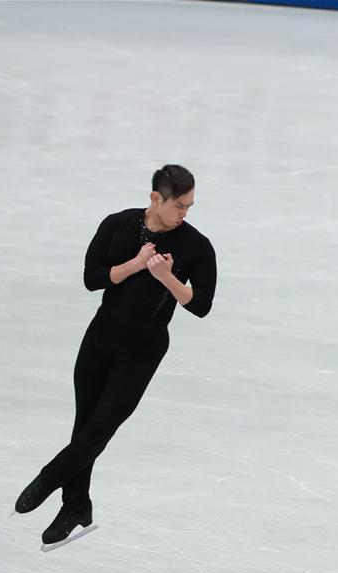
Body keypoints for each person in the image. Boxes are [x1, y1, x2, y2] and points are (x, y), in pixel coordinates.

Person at [14, 164, 217, 549]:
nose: (185, 214)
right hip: (101, 337)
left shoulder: (196, 246)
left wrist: (168, 279)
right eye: (179, 206)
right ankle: (76, 506)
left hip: (144, 349)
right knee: (84, 424)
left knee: (99, 429)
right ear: (156, 198)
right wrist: (136, 265)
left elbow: (202, 305)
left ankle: (47, 478)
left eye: (190, 206)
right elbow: (92, 278)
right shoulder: (117, 225)